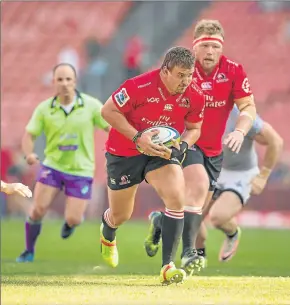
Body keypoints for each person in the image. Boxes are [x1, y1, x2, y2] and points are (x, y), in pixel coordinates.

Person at [144, 19, 257, 275]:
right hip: (186, 143)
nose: (210, 52)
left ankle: (160, 221)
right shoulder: (184, 71)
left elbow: (248, 106)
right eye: (205, 45)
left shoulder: (234, 71)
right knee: (196, 185)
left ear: (222, 48)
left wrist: (240, 130)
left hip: (215, 153)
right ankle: (187, 254)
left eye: (215, 46)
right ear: (194, 47)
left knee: (195, 218)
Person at [100, 46, 205, 285]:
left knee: (176, 198)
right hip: (125, 151)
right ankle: (108, 232)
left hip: (161, 151)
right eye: (181, 75)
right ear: (165, 71)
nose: (186, 81)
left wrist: (184, 146)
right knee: (121, 214)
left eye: (190, 75)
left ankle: (168, 266)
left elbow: (194, 128)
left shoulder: (194, 94)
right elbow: (107, 111)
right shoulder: (137, 86)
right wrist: (138, 137)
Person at [16, 63, 109, 263]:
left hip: (81, 170)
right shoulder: (44, 109)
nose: (65, 83)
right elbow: (29, 135)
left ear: (75, 81)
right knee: (37, 210)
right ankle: (28, 251)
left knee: (74, 219)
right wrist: (29, 154)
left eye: (68, 79)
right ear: (53, 82)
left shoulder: (91, 105)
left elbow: (111, 125)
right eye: (60, 79)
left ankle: (71, 223)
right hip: (53, 167)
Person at [195, 105, 283, 262]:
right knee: (192, 216)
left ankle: (232, 233)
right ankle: (197, 257)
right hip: (215, 168)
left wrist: (263, 176)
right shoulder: (198, 108)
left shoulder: (241, 114)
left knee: (218, 217)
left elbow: (275, 141)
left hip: (241, 174)